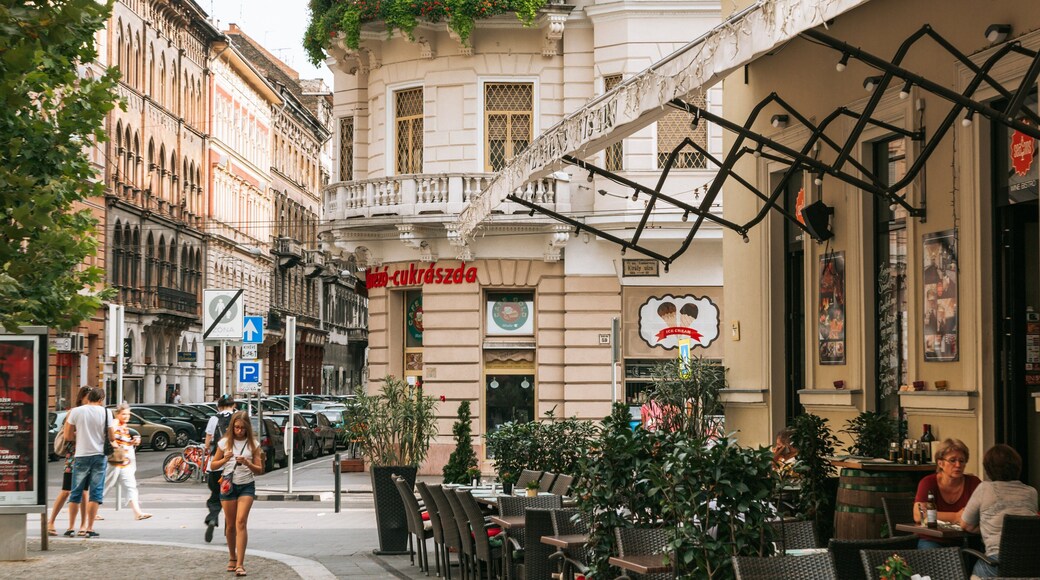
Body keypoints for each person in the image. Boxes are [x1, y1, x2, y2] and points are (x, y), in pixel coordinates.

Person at [957, 444, 1039, 578]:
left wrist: (986, 527)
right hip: (1032, 565)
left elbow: (965, 524)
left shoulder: (984, 489)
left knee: (976, 568)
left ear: (988, 468)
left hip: (997, 564)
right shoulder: (1031, 492)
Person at [211, 411, 265, 577]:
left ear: (247, 428)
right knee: (230, 524)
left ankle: (240, 564)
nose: (239, 431)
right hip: (228, 486)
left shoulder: (253, 445)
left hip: (246, 486)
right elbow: (213, 465)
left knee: (241, 521)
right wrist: (225, 460)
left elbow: (260, 470)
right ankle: (232, 557)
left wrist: (247, 462)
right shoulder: (224, 443)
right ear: (232, 427)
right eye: (236, 427)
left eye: (242, 428)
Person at [914, 438, 981, 549]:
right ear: (940, 463)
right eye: (952, 460)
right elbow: (918, 515)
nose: (958, 465)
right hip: (933, 539)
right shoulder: (928, 482)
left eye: (962, 460)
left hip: (966, 540)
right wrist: (956, 516)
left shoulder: (974, 483)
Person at [63, 387, 112, 538]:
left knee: (76, 491)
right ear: (101, 399)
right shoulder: (106, 412)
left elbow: (68, 436)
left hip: (81, 455)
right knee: (95, 493)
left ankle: (71, 527)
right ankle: (89, 528)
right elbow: (111, 436)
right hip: (99, 455)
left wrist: (81, 436)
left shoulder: (76, 411)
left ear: (88, 397)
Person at [48, 386, 92, 537]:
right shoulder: (73, 413)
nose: (90, 400)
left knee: (85, 492)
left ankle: (83, 525)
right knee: (66, 490)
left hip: (87, 455)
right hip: (73, 456)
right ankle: (51, 521)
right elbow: (68, 436)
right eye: (88, 397)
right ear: (81, 398)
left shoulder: (94, 412)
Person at [100, 403, 152, 520]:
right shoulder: (115, 423)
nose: (126, 416)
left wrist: (132, 442)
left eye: (128, 414)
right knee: (105, 485)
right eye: (123, 414)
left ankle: (137, 512)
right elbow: (110, 437)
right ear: (117, 414)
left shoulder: (124, 426)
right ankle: (91, 510)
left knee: (130, 486)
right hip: (115, 461)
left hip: (124, 462)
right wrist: (116, 447)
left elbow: (123, 442)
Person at [203, 394, 236, 543]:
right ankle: (229, 533)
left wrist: (206, 448)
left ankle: (212, 518)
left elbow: (208, 440)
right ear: (233, 405)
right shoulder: (238, 417)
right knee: (231, 499)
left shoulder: (214, 419)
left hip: (216, 466)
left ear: (219, 406)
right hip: (234, 466)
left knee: (216, 496)